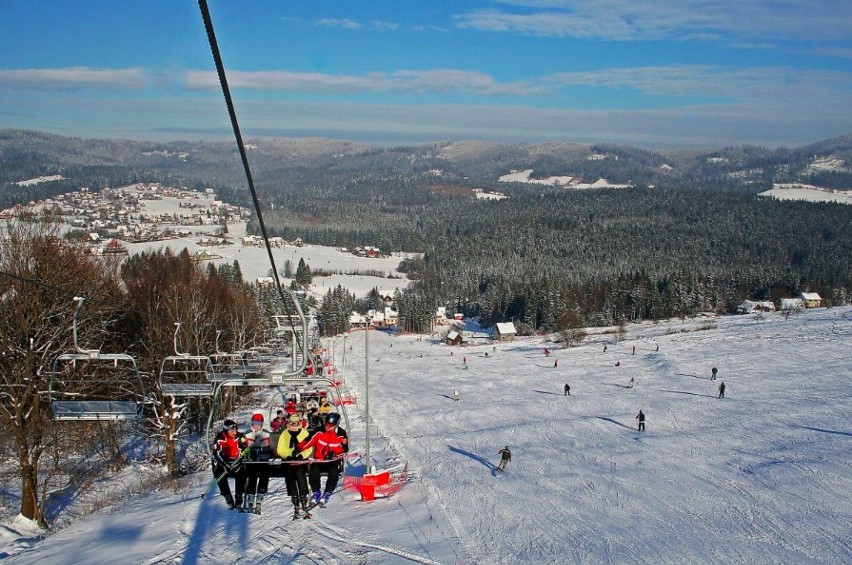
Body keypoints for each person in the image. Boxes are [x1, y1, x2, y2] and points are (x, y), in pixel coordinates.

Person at [298, 412, 349, 507]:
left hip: (332, 460)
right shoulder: (319, 431)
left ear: (336, 425)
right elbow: (308, 441)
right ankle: (316, 492)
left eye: (331, 425)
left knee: (334, 473)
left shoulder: (341, 434)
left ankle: (327, 493)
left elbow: (344, 449)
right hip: (320, 459)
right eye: (326, 424)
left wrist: (334, 454)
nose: (327, 427)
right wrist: (298, 449)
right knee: (313, 472)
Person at [277, 413, 313, 516]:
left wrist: (301, 455)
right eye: (291, 424)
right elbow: (280, 449)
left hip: (300, 459)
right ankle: (294, 496)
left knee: (299, 471)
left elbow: (309, 447)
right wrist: (287, 456)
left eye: (295, 424)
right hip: (288, 459)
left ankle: (303, 496)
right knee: (289, 473)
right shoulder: (285, 434)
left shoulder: (304, 433)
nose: (293, 427)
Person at [211, 419, 248, 509]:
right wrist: (224, 464)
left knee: (241, 474)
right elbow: (216, 453)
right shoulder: (220, 438)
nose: (234, 432)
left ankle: (239, 496)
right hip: (224, 462)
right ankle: (227, 495)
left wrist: (240, 459)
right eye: (231, 431)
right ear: (226, 430)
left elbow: (245, 449)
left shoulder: (239, 437)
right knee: (219, 474)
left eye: (235, 430)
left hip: (237, 462)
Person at [244, 412, 272, 511]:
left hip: (263, 460)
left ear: (261, 424)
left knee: (264, 473)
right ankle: (251, 495)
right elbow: (244, 447)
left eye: (258, 424)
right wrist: (249, 452)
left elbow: (270, 447)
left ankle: (261, 492)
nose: (256, 426)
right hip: (251, 462)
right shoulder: (247, 434)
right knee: (252, 474)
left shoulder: (266, 434)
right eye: (254, 423)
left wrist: (265, 450)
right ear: (251, 424)